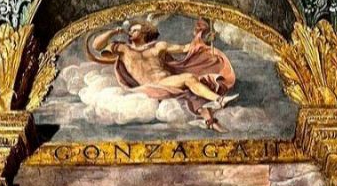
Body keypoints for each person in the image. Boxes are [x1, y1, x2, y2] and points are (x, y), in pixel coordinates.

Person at [87, 19, 238, 132]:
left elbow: (185, 48)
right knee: (188, 79)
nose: (131, 32)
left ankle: (210, 122)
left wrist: (204, 39)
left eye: (135, 30)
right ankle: (219, 100)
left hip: (167, 81)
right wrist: (113, 32)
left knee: (192, 91)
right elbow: (96, 46)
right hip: (149, 87)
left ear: (145, 32)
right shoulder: (123, 49)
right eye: (130, 30)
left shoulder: (159, 46)